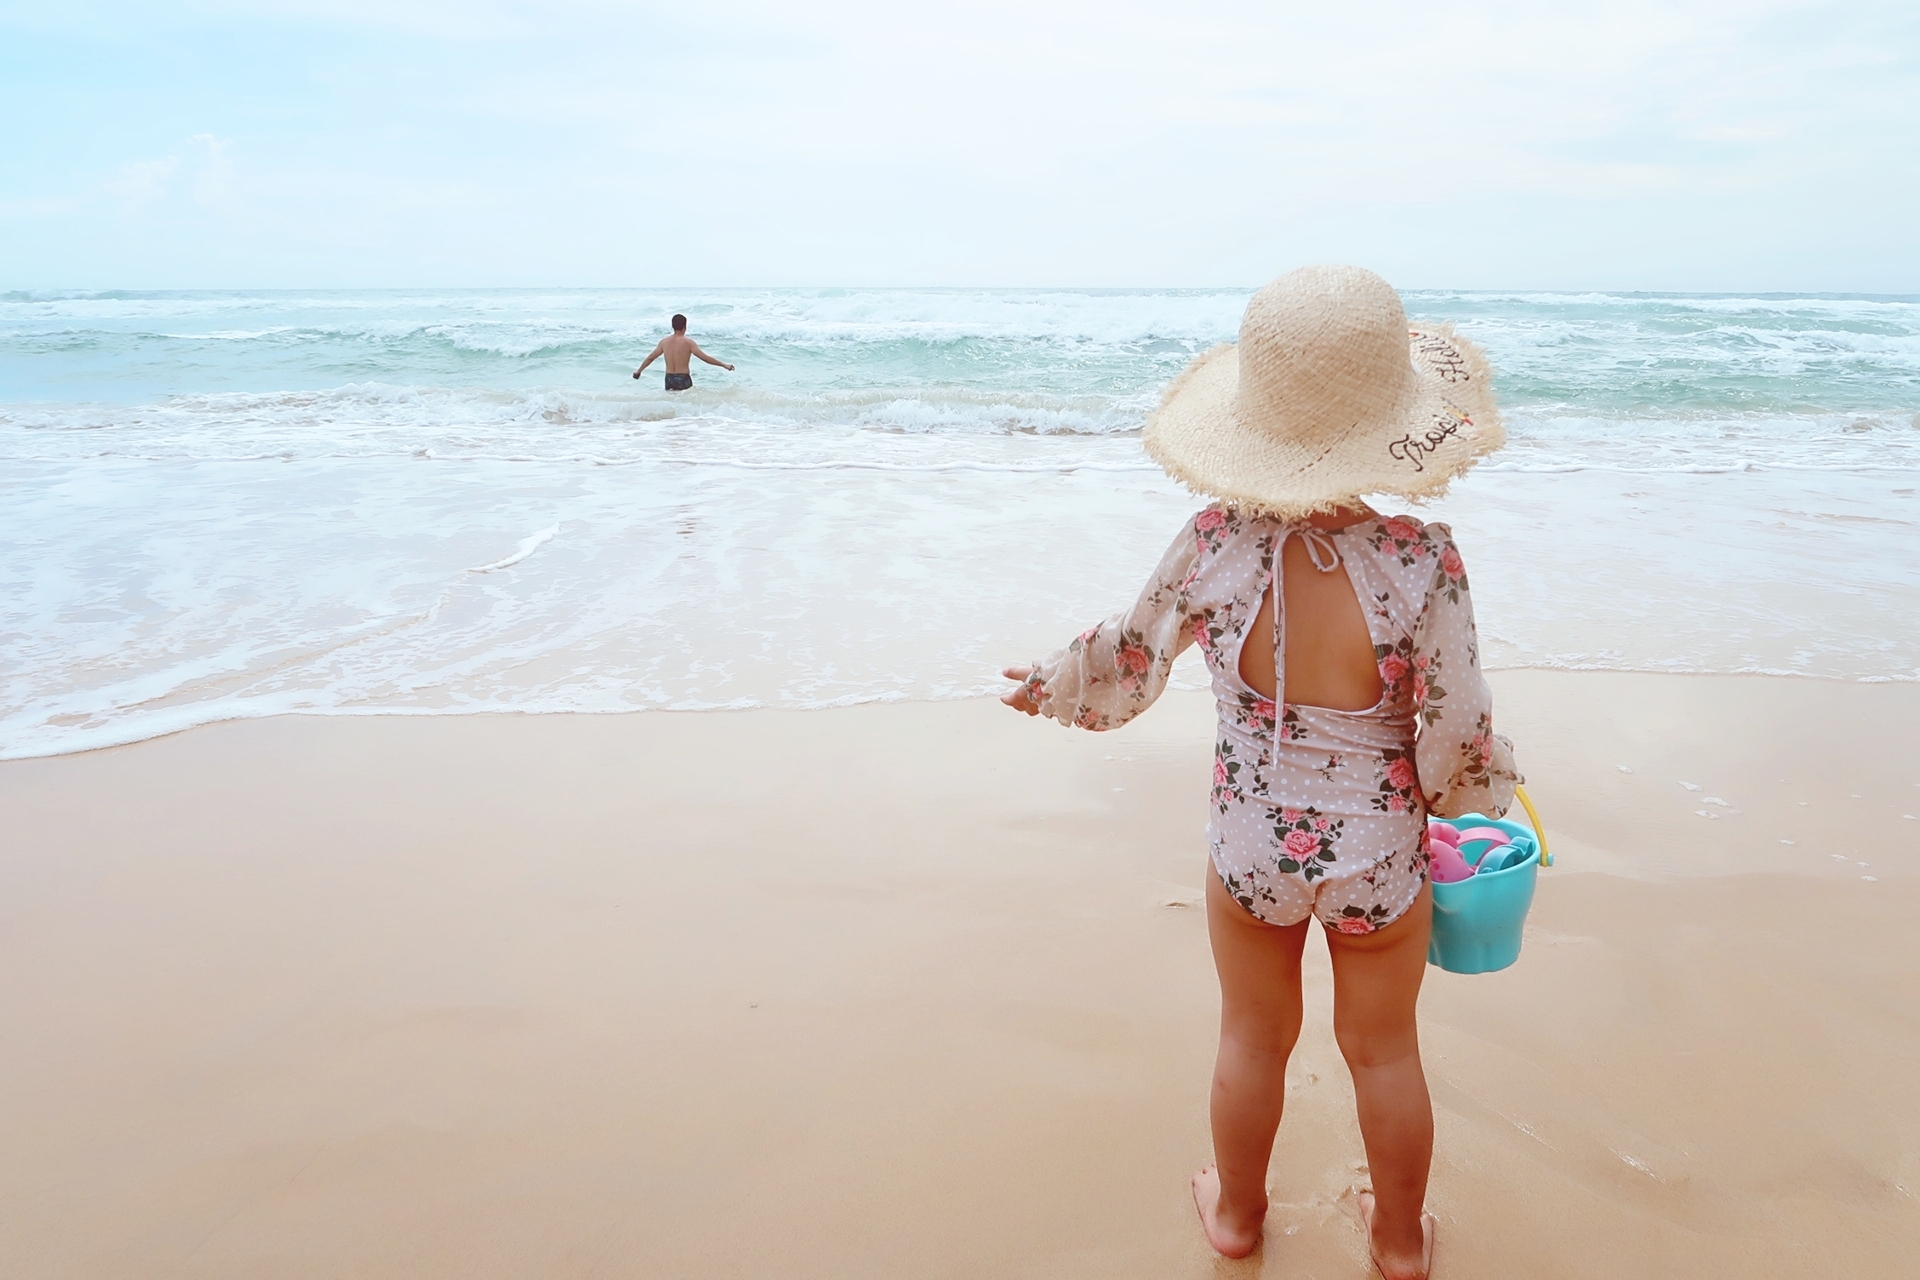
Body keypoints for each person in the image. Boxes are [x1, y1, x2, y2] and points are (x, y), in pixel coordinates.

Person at [999, 265, 1520, 1279]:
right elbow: (1456, 725)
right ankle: (1400, 1239)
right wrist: (1473, 799)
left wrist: (1054, 682)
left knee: (1251, 1034)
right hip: (1377, 850)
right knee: (1384, 1049)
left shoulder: (1213, 544)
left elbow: (1129, 654)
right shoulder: (1425, 560)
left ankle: (1237, 1217)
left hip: (1249, 846)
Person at [632, 314, 734, 390]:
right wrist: (724, 365)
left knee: (672, 404)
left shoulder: (664, 342)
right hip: (683, 378)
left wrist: (639, 371)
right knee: (686, 404)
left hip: (669, 379)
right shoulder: (688, 343)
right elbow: (705, 358)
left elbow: (651, 358)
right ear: (685, 326)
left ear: (673, 326)